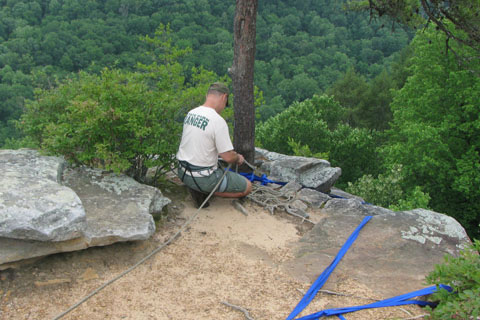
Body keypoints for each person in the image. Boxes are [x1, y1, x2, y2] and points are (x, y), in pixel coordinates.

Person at [176, 82, 252, 208]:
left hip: (182, 172)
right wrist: (238, 158)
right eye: (225, 103)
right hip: (203, 178)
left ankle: (197, 188)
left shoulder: (191, 113)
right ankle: (206, 191)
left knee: (213, 169)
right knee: (247, 187)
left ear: (208, 95)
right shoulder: (218, 121)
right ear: (224, 97)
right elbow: (228, 157)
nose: (223, 107)